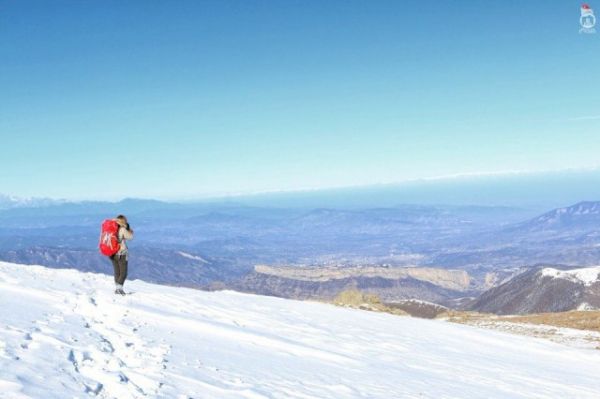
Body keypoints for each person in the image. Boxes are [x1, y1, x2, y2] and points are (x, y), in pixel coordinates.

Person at [110, 215, 134, 295]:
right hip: (121, 253)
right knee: (123, 273)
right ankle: (119, 289)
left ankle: (117, 288)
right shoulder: (122, 229)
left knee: (117, 272)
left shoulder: (111, 228)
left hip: (112, 253)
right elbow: (130, 237)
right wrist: (129, 229)